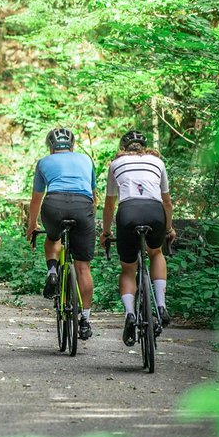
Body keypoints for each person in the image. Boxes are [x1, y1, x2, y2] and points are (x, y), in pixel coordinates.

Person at [99, 130, 177, 346]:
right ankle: (161, 306)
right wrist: (169, 228)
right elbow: (167, 202)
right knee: (156, 252)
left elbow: (109, 205)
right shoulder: (157, 162)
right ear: (144, 147)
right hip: (154, 211)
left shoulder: (116, 164)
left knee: (128, 268)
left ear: (123, 147)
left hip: (128, 212)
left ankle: (130, 314)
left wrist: (106, 233)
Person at [25, 127, 98, 340]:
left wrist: (32, 225)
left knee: (52, 238)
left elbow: (36, 198)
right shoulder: (86, 160)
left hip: (53, 204)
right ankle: (85, 319)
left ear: (51, 146)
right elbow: (93, 196)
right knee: (83, 266)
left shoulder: (44, 162)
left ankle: (52, 272)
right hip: (82, 205)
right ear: (72, 145)